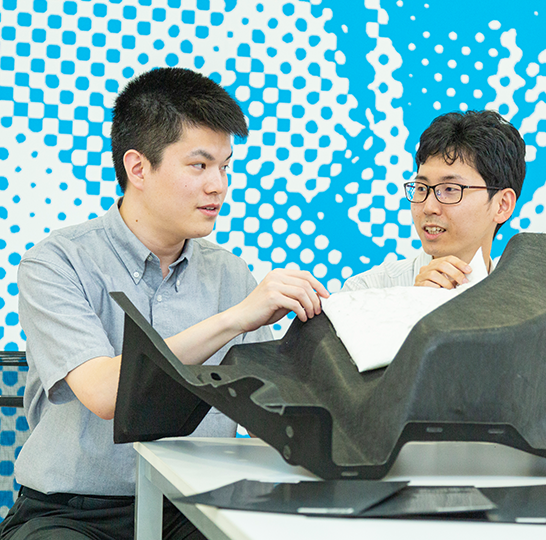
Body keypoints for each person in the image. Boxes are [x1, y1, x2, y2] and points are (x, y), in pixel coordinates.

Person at [0, 67, 328, 540]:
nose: (218, 185)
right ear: (138, 168)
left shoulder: (230, 272)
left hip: (194, 507)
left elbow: (270, 413)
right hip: (73, 512)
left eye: (225, 167)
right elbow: (104, 394)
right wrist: (234, 320)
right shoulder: (56, 262)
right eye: (199, 166)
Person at [342, 110, 525, 291]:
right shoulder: (365, 291)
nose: (428, 207)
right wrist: (411, 303)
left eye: (450, 189)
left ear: (502, 205)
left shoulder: (522, 300)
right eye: (421, 188)